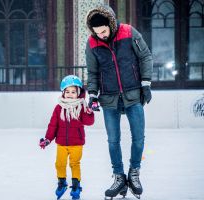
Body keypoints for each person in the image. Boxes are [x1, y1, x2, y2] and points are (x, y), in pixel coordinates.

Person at [85, 4, 153, 200]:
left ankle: (134, 173)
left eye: (104, 31)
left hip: (133, 94)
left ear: (111, 24)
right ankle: (119, 176)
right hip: (109, 98)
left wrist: (146, 84)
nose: (102, 35)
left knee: (138, 137)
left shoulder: (129, 32)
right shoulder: (92, 43)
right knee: (113, 140)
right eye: (97, 32)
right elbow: (93, 72)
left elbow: (145, 56)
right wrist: (92, 94)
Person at [39, 75, 95, 200]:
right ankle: (62, 183)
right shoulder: (59, 107)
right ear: (63, 92)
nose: (70, 94)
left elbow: (88, 122)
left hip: (76, 143)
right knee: (59, 164)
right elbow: (53, 125)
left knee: (75, 164)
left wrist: (89, 112)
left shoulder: (82, 107)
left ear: (79, 93)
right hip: (62, 144)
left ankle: (76, 185)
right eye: (67, 91)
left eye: (73, 92)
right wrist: (48, 139)